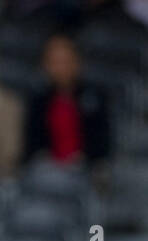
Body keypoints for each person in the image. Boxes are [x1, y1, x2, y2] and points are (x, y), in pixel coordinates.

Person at [23, 33, 111, 167]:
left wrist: (83, 159)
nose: (61, 68)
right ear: (45, 65)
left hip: (86, 170)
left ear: (77, 62)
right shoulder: (38, 101)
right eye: (55, 62)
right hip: (46, 172)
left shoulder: (95, 98)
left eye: (66, 61)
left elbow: (103, 143)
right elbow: (31, 146)